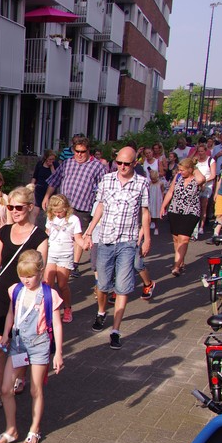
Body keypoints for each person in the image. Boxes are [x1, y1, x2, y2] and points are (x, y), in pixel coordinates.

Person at [0, 186, 49, 411]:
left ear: (30, 207)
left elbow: (41, 271)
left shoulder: (40, 237)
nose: (14, 211)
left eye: (18, 207)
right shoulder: (3, 231)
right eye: (10, 207)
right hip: (1, 293)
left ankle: (19, 375)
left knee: (21, 343)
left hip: (25, 297)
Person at [0, 250, 63, 443]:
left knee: (35, 389)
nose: (26, 280)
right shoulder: (16, 290)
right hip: (18, 345)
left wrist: (58, 353)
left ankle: (34, 429)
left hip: (39, 346)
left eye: (30, 276)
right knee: (5, 389)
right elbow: (11, 313)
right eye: (23, 275)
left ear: (40, 272)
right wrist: (6, 334)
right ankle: (11, 430)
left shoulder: (49, 295)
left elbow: (57, 325)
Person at [83, 146, 151, 350]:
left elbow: (145, 212)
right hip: (105, 239)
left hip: (128, 241)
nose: (122, 166)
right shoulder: (107, 180)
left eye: (126, 164)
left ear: (135, 163)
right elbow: (100, 206)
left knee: (122, 286)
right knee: (103, 285)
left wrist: (147, 238)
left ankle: (115, 330)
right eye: (118, 162)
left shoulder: (142, 183)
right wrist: (89, 231)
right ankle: (101, 312)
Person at [43, 137, 106, 274]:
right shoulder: (67, 163)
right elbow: (54, 181)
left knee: (77, 234)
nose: (79, 154)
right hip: (63, 206)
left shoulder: (97, 166)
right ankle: (56, 258)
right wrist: (47, 196)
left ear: (88, 151)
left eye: (82, 152)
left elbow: (103, 188)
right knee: (60, 231)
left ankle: (74, 263)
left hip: (83, 206)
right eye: (77, 151)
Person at [159, 157, 206, 277]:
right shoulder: (178, 177)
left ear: (190, 169)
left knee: (184, 238)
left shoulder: (196, 178)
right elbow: (170, 192)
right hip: (175, 210)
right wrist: (163, 206)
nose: (180, 172)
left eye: (183, 170)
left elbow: (202, 179)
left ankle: (176, 266)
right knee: (176, 238)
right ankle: (180, 261)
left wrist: (194, 167)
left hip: (190, 212)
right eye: (179, 170)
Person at [43, 195, 86, 324]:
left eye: (60, 211)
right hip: (51, 253)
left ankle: (67, 308)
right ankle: (49, 310)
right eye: (55, 211)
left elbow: (78, 238)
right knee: (48, 285)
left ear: (66, 208)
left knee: (62, 285)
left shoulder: (74, 220)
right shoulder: (51, 217)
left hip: (65, 255)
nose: (58, 214)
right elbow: (47, 233)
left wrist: (84, 244)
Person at [193, 143, 216, 234]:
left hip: (207, 185)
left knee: (203, 206)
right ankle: (194, 225)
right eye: (199, 151)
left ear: (205, 151)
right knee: (195, 206)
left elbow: (213, 175)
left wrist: (204, 182)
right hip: (197, 185)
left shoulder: (211, 160)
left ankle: (201, 227)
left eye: (202, 151)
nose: (200, 153)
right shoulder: (196, 161)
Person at [142, 147, 164, 237]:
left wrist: (154, 174)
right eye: (146, 153)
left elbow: (162, 172)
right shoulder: (144, 161)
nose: (148, 154)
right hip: (147, 184)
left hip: (156, 184)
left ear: (152, 152)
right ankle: (148, 222)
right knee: (147, 205)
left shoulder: (157, 161)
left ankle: (155, 223)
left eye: (149, 152)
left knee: (155, 205)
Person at [30, 151, 56, 224]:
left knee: (49, 211)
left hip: (50, 189)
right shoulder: (40, 164)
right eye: (50, 159)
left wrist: (51, 167)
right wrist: (31, 186)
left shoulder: (55, 164)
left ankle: (49, 227)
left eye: (53, 159)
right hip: (39, 189)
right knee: (35, 209)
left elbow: (55, 177)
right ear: (46, 158)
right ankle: (31, 226)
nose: (51, 161)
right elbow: (35, 176)